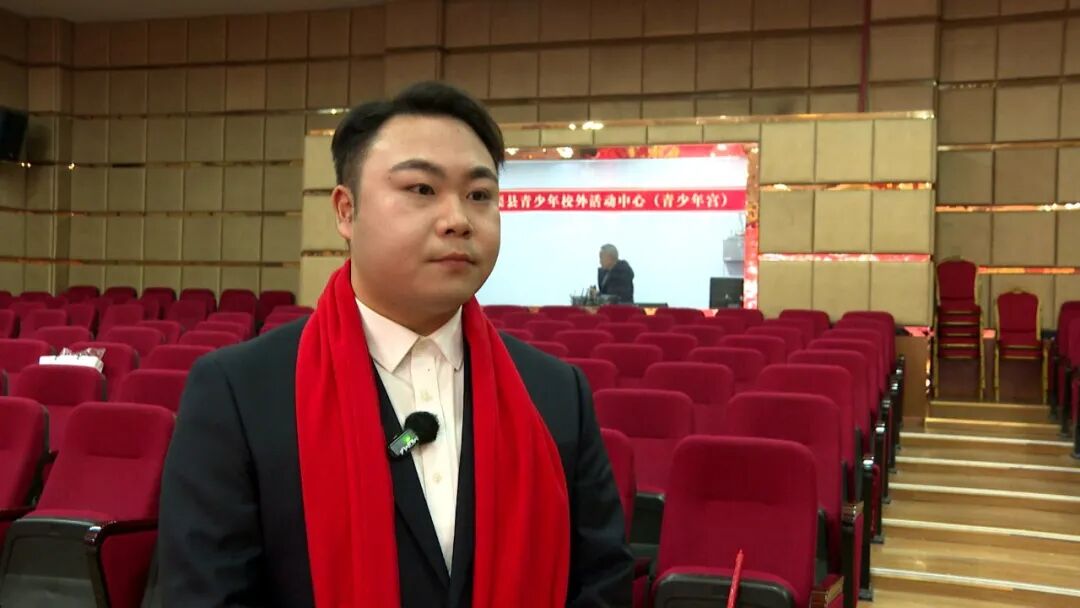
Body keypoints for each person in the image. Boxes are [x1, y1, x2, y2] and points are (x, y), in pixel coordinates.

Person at [158, 81, 633, 608]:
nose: (457, 220)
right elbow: (205, 593)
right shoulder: (239, 393)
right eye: (422, 189)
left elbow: (603, 578)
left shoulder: (555, 392)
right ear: (346, 211)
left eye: (479, 195)